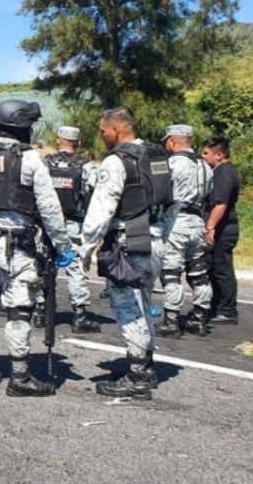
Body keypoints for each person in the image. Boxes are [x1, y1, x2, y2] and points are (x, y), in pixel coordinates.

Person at [0, 100, 74, 397]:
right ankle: (20, 377)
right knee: (19, 311)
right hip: (17, 248)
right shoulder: (28, 158)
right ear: (23, 127)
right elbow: (49, 207)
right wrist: (62, 245)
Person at [79, 107, 164, 400]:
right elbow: (172, 202)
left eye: (103, 131)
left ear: (116, 130)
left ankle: (137, 377)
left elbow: (102, 208)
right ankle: (148, 368)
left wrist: (86, 248)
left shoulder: (116, 161)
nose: (101, 136)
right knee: (144, 303)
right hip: (155, 240)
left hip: (128, 243)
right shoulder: (156, 156)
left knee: (129, 309)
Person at [39, 126, 102, 334]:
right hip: (74, 224)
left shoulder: (45, 163)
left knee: (44, 266)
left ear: (58, 140)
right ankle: (79, 316)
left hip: (48, 224)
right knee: (75, 269)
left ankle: (41, 312)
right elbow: (95, 193)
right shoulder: (87, 167)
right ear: (78, 143)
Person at [155, 125, 214, 337]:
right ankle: (199, 318)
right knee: (199, 273)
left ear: (172, 141)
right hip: (197, 222)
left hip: (175, 222)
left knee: (171, 273)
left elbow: (160, 195)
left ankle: (171, 321)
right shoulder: (205, 166)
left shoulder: (170, 164)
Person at [203, 136, 241, 325]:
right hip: (221, 226)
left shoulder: (224, 173)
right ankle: (217, 305)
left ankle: (228, 310)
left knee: (221, 268)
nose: (203, 157)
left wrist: (210, 227)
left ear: (219, 155)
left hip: (223, 227)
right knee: (213, 268)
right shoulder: (220, 171)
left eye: (206, 153)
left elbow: (220, 203)